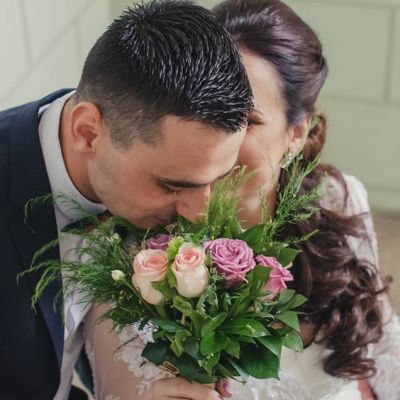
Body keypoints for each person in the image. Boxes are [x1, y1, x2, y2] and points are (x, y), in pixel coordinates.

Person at [83, 0, 400, 399]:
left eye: (245, 120)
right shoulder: (131, 257)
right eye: (207, 114)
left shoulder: (337, 197)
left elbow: (383, 347)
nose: (220, 141)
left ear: (296, 133)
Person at [0, 0, 253, 398]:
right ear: (87, 132)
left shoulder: (125, 169)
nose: (198, 215)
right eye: (171, 185)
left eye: (218, 179)